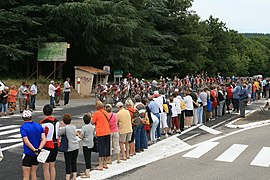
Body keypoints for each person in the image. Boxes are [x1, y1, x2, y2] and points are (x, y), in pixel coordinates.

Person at [20, 110, 46, 180]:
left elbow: (26, 141)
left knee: (26, 176)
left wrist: (33, 149)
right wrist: (39, 149)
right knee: (33, 173)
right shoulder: (38, 126)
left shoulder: (23, 127)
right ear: (31, 117)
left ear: (23, 118)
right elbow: (44, 139)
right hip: (37, 153)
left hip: (28, 152)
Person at [39, 105, 60, 180]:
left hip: (47, 145)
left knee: (45, 167)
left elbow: (41, 135)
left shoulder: (43, 123)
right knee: (52, 165)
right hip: (56, 144)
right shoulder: (57, 121)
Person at [58, 114, 79, 180]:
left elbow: (59, 134)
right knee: (74, 162)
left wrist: (61, 126)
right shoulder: (74, 127)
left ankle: (67, 177)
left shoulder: (64, 128)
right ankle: (74, 176)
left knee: (68, 163)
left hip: (69, 148)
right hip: (76, 146)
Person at [91, 101, 111, 170]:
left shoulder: (96, 113)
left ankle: (100, 165)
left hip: (101, 132)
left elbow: (92, 122)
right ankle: (105, 163)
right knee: (106, 147)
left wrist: (92, 116)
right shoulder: (105, 112)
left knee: (101, 148)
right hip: (107, 131)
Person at [77, 113, 95, 178]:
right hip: (91, 143)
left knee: (87, 158)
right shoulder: (91, 126)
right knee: (89, 157)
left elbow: (81, 137)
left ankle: (87, 173)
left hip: (85, 144)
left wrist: (78, 134)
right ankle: (87, 171)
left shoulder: (84, 127)